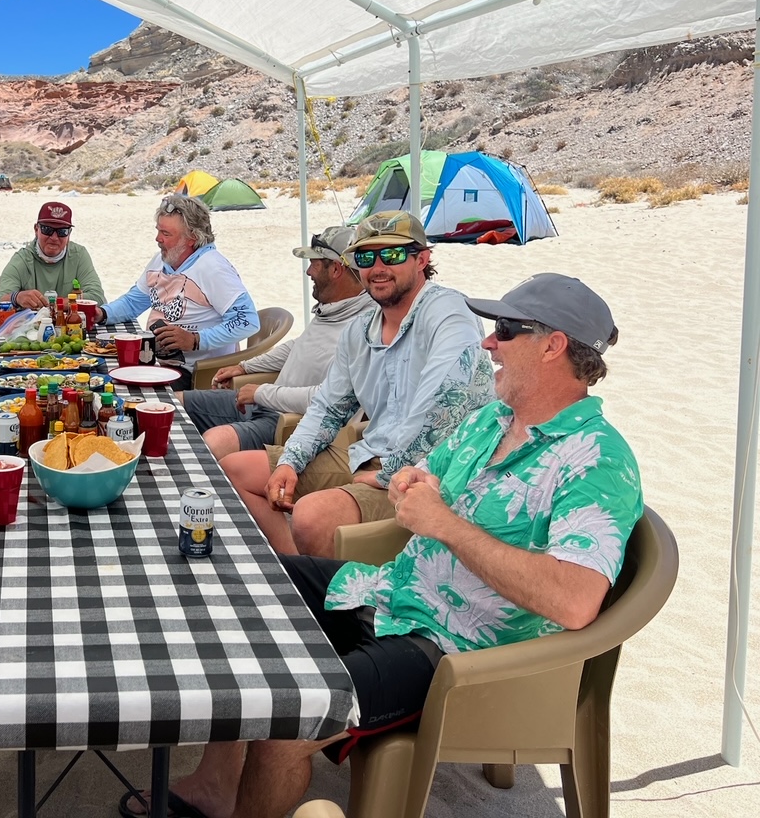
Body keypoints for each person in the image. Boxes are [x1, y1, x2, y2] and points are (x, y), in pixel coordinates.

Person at [126, 273, 642, 818]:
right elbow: (423, 476)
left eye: (506, 331)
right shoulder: (494, 421)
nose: (488, 342)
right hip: (389, 591)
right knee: (244, 581)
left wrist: (445, 523)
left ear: (553, 346)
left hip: (455, 652)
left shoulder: (595, 461)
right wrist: (408, 482)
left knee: (289, 718)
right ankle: (216, 784)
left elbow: (575, 599)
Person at [224, 210, 494, 558]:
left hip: (430, 471)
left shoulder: (448, 312)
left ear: (422, 259)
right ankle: (301, 569)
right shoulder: (360, 330)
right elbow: (328, 407)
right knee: (237, 471)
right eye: (366, 256)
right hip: (368, 453)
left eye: (393, 254)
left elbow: (442, 406)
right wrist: (291, 461)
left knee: (312, 515)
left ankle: (319, 583)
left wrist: (388, 474)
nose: (378, 267)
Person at [176, 225, 375, 460]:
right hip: (265, 403)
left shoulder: (365, 327)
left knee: (215, 442)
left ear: (336, 269)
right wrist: (245, 367)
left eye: (315, 264)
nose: (308, 272)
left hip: (290, 423)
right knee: (173, 404)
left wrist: (262, 392)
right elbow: (298, 346)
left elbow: (328, 397)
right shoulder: (333, 308)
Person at [98, 195, 259, 392]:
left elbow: (247, 321)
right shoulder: (163, 260)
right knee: (100, 374)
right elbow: (133, 302)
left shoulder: (213, 268)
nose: (158, 239)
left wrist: (195, 339)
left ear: (192, 237)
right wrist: (101, 314)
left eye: (166, 233)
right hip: (157, 360)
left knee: (122, 390)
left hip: (195, 373)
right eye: (158, 231)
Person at [0, 201, 106, 314]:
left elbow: (98, 296)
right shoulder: (22, 260)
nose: (54, 237)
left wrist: (58, 304)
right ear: (36, 229)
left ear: (69, 234)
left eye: (62, 231)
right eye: (47, 229)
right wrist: (16, 298)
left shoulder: (79, 255)